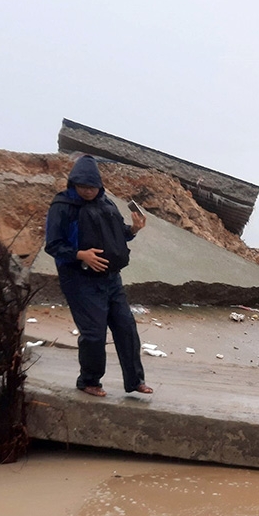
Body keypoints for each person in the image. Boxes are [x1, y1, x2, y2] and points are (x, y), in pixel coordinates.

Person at [44, 155, 152, 397]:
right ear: (73, 184)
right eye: (82, 187)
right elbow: (52, 245)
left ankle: (135, 381)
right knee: (93, 334)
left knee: (126, 328)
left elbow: (118, 235)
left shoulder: (107, 204)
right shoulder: (62, 206)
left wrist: (134, 229)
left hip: (111, 278)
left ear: (99, 186)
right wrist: (81, 255)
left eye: (92, 187)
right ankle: (89, 381)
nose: (87, 191)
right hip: (79, 279)